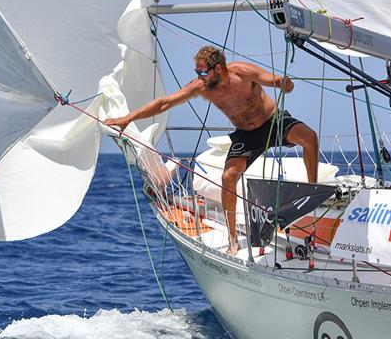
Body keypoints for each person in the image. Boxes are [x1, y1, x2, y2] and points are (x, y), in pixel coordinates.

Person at [104, 45, 319, 255]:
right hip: (247, 135)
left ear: (218, 69)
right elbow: (164, 103)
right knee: (228, 178)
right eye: (197, 72)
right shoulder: (201, 87)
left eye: (203, 71)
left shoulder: (243, 73)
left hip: (273, 122)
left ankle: (312, 192)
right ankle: (233, 240)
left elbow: (271, 79)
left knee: (310, 138)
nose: (200, 76)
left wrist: (284, 84)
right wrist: (128, 118)